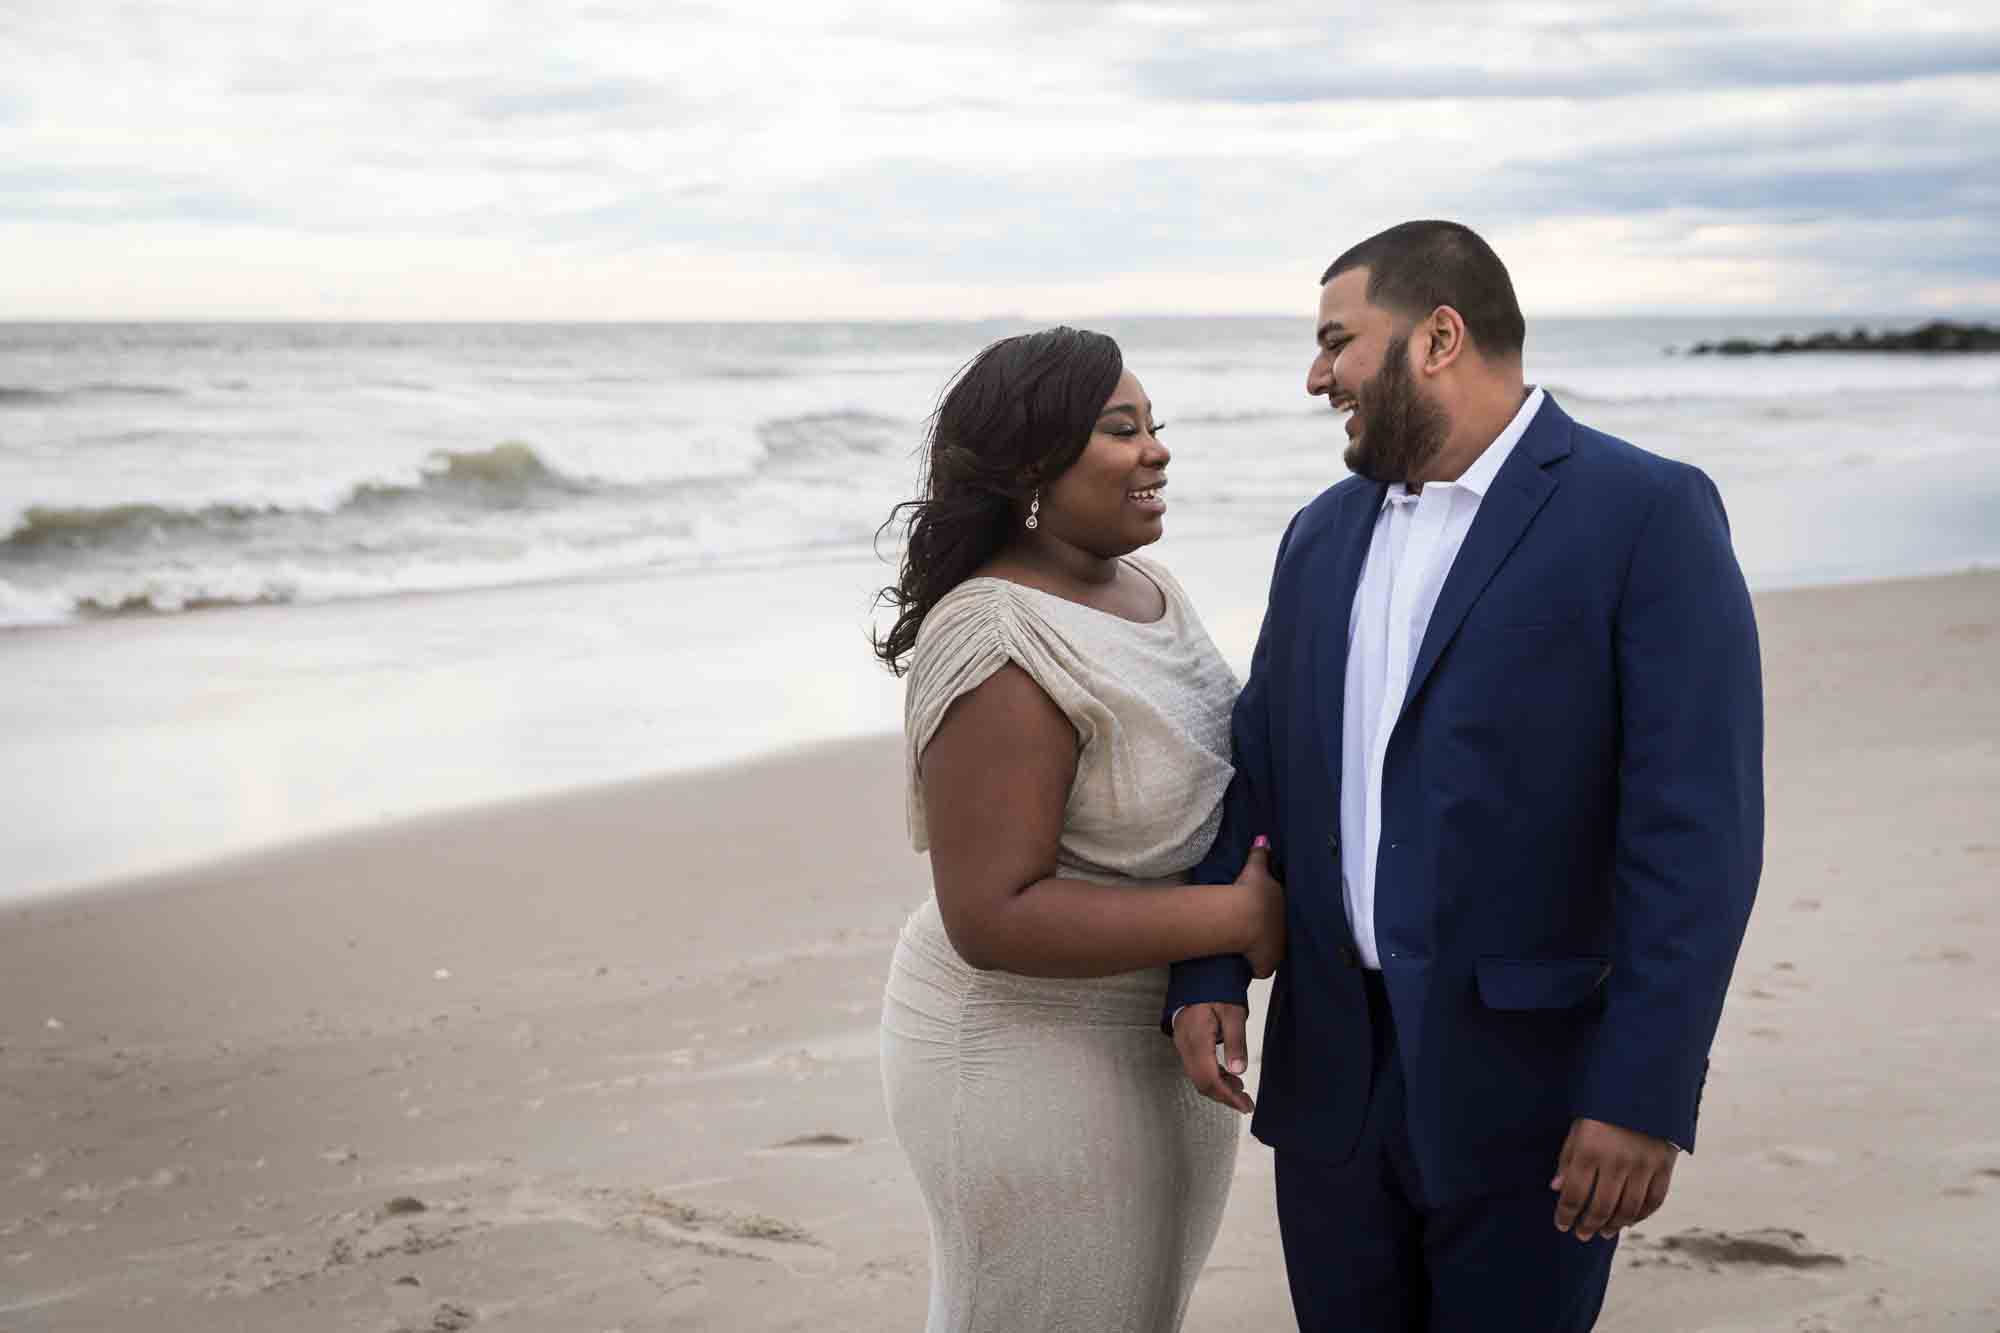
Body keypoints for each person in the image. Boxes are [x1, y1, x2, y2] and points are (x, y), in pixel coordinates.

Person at [1165, 221, 1764, 1331]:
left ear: (1437, 335)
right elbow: (1258, 766)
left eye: (1335, 341)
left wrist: (1641, 1093)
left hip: (1530, 1097)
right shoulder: (1317, 535)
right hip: (1331, 1089)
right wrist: (1203, 966)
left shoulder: (1644, 515)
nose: (1314, 376)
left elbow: (1695, 837)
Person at [875, 326, 1284, 1333]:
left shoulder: (1151, 588)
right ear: (1029, 464)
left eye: (1154, 426)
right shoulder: (996, 634)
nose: (1156, 451)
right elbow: (990, 914)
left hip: (1164, 1030)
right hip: (1022, 1041)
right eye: (1119, 429)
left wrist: (1212, 964)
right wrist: (1230, 915)